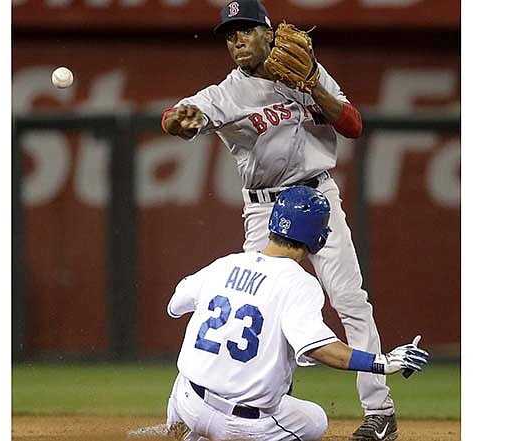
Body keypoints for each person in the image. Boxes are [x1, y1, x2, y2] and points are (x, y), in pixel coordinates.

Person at [161, 1, 397, 439]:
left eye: (245, 30)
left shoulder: (310, 70)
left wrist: (313, 84)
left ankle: (380, 411)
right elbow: (180, 115)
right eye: (230, 35)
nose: (237, 41)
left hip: (316, 196)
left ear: (269, 33)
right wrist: (180, 119)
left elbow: (353, 124)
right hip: (264, 208)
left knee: (350, 299)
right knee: (255, 306)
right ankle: (231, 404)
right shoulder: (227, 93)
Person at [165, 186, 429, 441]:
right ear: (320, 238)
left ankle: (180, 429)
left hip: (189, 404)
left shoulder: (225, 263)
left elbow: (175, 306)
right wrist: (381, 361)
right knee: (315, 420)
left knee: (188, 376)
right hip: (240, 426)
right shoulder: (299, 282)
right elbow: (318, 348)